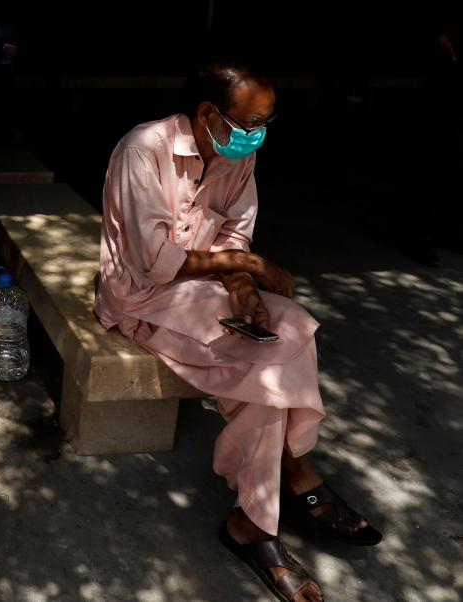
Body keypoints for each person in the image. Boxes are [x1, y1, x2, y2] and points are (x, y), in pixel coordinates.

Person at [94, 61, 381, 602]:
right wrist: (248, 271)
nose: (258, 134)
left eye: (267, 122)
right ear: (207, 114)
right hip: (141, 296)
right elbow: (157, 262)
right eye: (250, 121)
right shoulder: (143, 150)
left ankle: (272, 494)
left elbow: (234, 238)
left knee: (292, 325)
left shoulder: (237, 154)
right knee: (266, 369)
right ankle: (273, 501)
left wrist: (244, 289)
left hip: (204, 288)